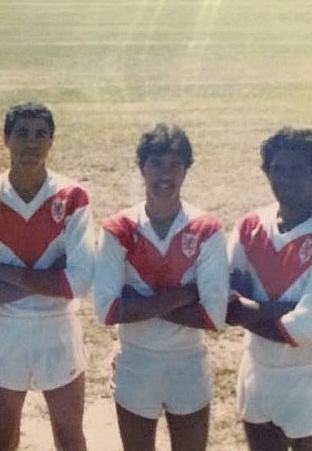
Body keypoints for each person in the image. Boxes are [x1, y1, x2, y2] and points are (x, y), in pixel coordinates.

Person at [0, 102, 96, 451]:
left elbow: (80, 283)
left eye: (40, 135)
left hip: (59, 330)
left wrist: (4, 272)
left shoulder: (73, 197)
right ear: (5, 139)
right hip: (5, 331)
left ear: (53, 141)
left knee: (69, 438)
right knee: (2, 441)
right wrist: (51, 280)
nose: (31, 144)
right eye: (21, 133)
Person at [92, 123, 228, 451]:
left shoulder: (206, 229)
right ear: (141, 168)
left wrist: (138, 303)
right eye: (156, 164)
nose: (164, 175)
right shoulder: (117, 229)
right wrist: (185, 294)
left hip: (188, 362)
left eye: (174, 165)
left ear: (186, 170)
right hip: (136, 361)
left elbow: (213, 317)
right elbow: (107, 310)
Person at [226, 127, 312, 451]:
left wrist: (244, 310)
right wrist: (289, 311)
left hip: (307, 378)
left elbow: (303, 331)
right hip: (256, 372)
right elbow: (222, 302)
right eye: (278, 169)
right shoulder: (250, 226)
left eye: (298, 170)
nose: (286, 178)